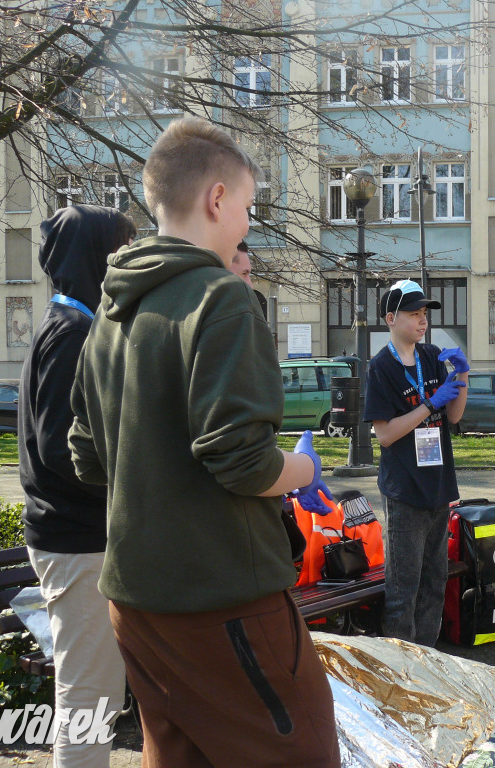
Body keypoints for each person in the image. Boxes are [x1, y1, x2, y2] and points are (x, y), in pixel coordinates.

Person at [68, 117, 340, 767]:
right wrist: (304, 468)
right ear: (217, 199)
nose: (248, 223)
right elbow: (242, 461)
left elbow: (84, 455)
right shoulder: (220, 297)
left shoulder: (110, 314)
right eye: (247, 207)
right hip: (225, 602)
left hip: (135, 602)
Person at [19, 204, 135, 768]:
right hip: (78, 543)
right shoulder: (71, 333)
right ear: (97, 257)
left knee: (97, 693)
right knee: (89, 698)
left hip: (79, 542)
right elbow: (59, 450)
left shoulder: (71, 324)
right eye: (122, 250)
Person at [363, 279, 468, 646]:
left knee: (434, 583)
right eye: (414, 314)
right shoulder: (381, 368)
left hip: (438, 487)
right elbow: (386, 435)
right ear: (391, 318)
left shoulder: (431, 356)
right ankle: (401, 668)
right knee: (403, 588)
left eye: (425, 314)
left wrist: (462, 377)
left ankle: (428, 661)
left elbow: (453, 417)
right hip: (405, 491)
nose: (422, 322)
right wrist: (429, 404)